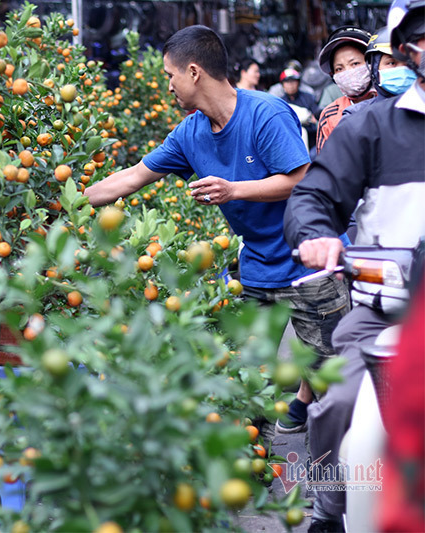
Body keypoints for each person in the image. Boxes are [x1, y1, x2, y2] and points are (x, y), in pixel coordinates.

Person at [84, 24, 349, 431]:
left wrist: (234, 190)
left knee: (331, 381)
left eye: (170, 75)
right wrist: (65, 201)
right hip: (260, 265)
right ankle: (254, 469)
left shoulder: (264, 113)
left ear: (194, 72)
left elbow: (300, 179)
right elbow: (132, 177)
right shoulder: (190, 134)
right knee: (244, 380)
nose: (167, 85)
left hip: (309, 261)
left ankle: (342, 482)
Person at [283, 2, 425, 531]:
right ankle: (327, 507)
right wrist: (317, 235)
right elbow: (311, 195)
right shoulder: (370, 127)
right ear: (404, 48)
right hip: (381, 316)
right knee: (336, 404)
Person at [315, 26, 375, 153]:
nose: (348, 72)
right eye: (339, 69)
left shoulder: (393, 104)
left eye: (355, 64)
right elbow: (326, 166)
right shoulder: (330, 116)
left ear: (372, 63)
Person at [342, 26, 418, 117]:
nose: (403, 70)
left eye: (409, 64)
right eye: (391, 63)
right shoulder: (355, 116)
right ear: (374, 68)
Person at [278, 67, 321, 148]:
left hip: (311, 139)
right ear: (283, 85)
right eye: (287, 82)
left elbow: (316, 118)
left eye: (293, 81)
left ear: (298, 83)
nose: (290, 85)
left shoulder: (308, 98)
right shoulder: (280, 102)